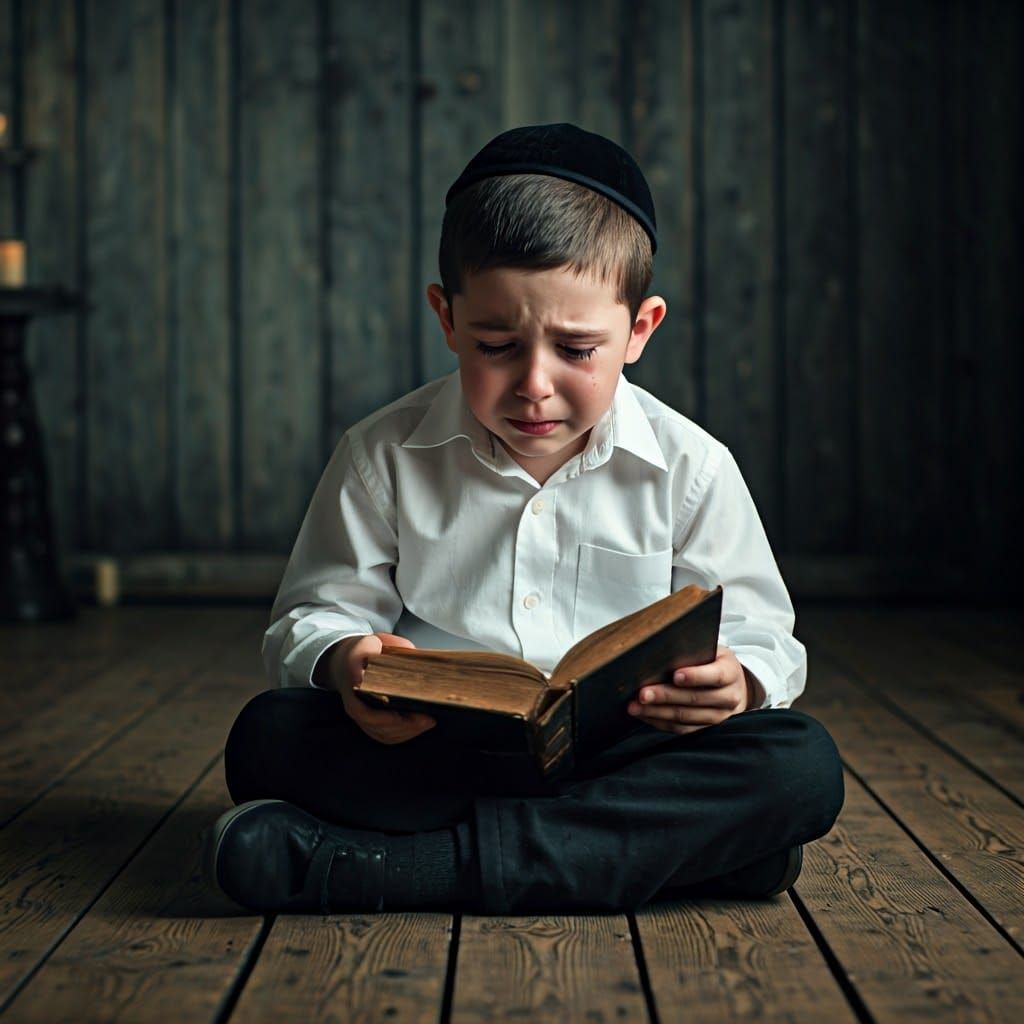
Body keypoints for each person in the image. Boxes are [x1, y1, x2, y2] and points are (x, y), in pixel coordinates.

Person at [203, 122, 844, 916]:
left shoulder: (692, 466)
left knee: (800, 763)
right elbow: (312, 614)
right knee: (268, 738)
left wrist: (739, 684)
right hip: (440, 751)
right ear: (446, 317)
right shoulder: (383, 454)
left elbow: (763, 633)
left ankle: (390, 871)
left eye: (577, 350)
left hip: (624, 756)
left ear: (639, 330)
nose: (534, 384)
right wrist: (347, 663)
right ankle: (675, 854)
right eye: (497, 344)